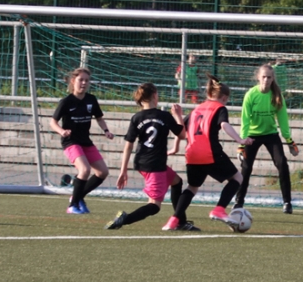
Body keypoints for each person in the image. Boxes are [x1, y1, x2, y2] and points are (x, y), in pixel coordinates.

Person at [169, 75, 253, 231]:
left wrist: (175, 148)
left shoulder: (196, 109)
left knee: (192, 187)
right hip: (210, 152)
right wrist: (240, 140)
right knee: (237, 178)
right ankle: (219, 209)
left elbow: (181, 130)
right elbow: (224, 125)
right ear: (224, 98)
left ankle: (173, 221)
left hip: (192, 154)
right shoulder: (219, 108)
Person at [109, 83, 195, 231]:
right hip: (155, 165)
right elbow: (182, 134)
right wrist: (178, 116)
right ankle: (125, 218)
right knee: (154, 206)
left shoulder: (136, 117)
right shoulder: (164, 116)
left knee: (176, 181)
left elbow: (128, 145)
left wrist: (123, 171)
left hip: (142, 162)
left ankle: (181, 222)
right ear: (155, 95)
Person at [49, 67, 114, 214]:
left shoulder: (91, 99)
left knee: (103, 172)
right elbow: (53, 122)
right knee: (84, 170)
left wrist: (106, 131)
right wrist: (62, 131)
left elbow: (99, 118)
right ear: (73, 81)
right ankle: (72, 206)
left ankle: (78, 197)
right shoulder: (66, 102)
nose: (84, 83)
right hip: (71, 142)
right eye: (81, 80)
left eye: (87, 80)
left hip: (86, 141)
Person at [235, 64, 298, 214]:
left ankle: (287, 202)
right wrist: (242, 143)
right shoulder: (251, 95)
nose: (266, 80)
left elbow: (282, 118)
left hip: (271, 135)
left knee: (282, 164)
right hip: (252, 136)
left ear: (273, 78)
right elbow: (245, 120)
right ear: (258, 77)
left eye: (269, 77)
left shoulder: (277, 95)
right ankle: (238, 202)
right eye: (263, 77)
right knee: (246, 167)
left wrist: (289, 140)